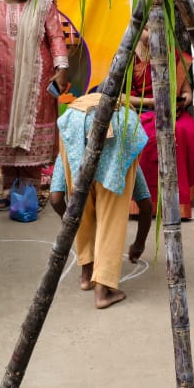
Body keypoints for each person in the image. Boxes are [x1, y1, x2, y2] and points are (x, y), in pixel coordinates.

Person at [50, 93, 155, 310]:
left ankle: (87, 274)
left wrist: (71, 223)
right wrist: (139, 244)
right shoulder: (123, 147)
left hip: (77, 120)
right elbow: (145, 204)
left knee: (81, 211)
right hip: (119, 128)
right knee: (111, 220)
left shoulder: (71, 136)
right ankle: (104, 290)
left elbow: (56, 198)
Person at [0, 0, 69, 209]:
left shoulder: (44, 2)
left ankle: (31, 190)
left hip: (35, 81)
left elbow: (56, 37)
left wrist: (62, 67)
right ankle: (9, 190)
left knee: (31, 132)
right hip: (0, 81)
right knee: (7, 132)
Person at [128, 26, 194, 220]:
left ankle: (179, 201)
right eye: (147, 28)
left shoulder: (174, 55)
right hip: (141, 111)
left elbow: (187, 92)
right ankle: (144, 202)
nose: (152, 32)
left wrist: (181, 102)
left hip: (172, 112)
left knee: (188, 131)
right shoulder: (128, 54)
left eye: (157, 27)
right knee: (149, 136)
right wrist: (154, 102)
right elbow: (121, 96)